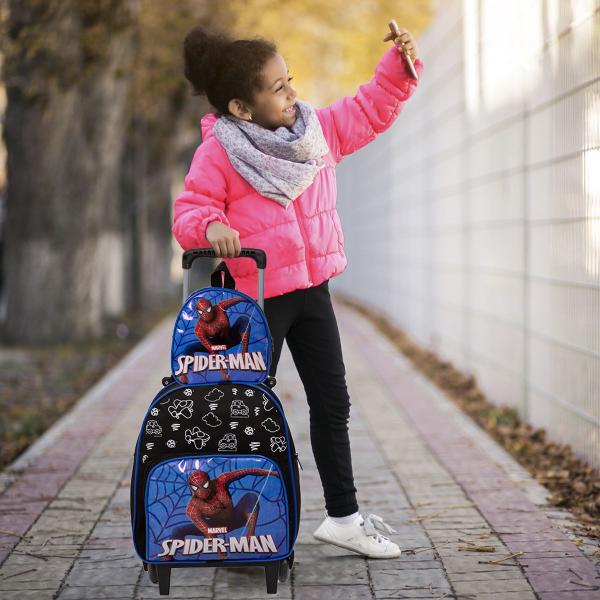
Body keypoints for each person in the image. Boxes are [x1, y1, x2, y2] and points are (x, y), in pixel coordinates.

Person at [172, 23, 423, 559]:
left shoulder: (313, 132)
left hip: (313, 292)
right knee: (244, 410)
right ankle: (235, 531)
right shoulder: (220, 152)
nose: (292, 94)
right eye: (279, 88)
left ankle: (343, 517)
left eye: (290, 80)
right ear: (242, 107)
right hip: (254, 303)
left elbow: (367, 109)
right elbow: (191, 209)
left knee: (333, 402)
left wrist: (397, 68)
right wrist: (210, 227)